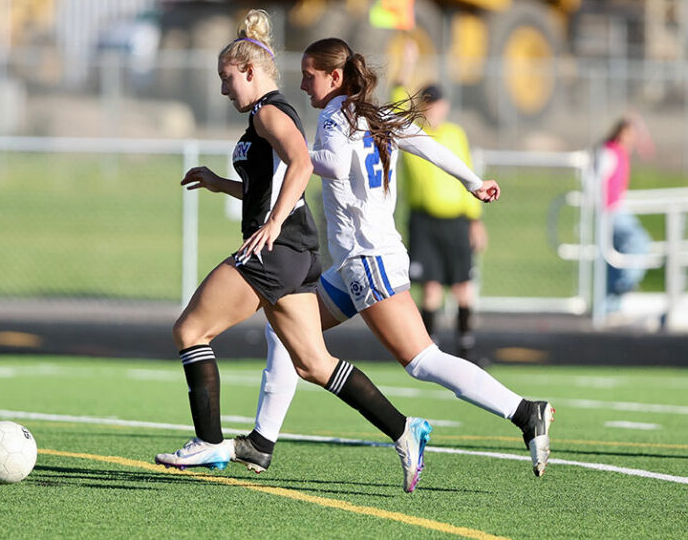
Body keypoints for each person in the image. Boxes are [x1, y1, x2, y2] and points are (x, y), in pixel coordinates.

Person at [230, 37, 555, 479]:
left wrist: (293, 154)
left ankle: (524, 412)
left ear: (335, 77)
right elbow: (429, 145)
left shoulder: (333, 116)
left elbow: (337, 164)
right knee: (285, 330)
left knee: (422, 361)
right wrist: (472, 181)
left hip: (368, 260)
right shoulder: (376, 115)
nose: (303, 85)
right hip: (355, 265)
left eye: (310, 75)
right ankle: (262, 442)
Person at [154, 10, 432, 494]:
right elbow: (273, 181)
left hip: (276, 247)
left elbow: (302, 162)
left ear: (249, 71)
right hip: (298, 250)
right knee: (313, 363)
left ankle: (208, 442)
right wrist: (221, 184)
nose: (224, 91)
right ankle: (405, 429)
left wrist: (273, 223)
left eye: (226, 79)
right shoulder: (267, 112)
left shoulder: (267, 110)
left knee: (190, 329)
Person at [400, 84, 485, 360]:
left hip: (456, 221)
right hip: (425, 221)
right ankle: (427, 350)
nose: (433, 109)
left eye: (437, 103)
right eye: (427, 103)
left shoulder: (454, 134)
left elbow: (468, 174)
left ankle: (466, 347)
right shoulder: (411, 131)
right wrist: (405, 69)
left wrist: (475, 219)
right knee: (431, 287)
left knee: (462, 285)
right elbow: (397, 99)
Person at [598, 115, 653, 311]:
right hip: (610, 210)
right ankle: (624, 284)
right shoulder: (609, 153)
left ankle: (610, 306)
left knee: (614, 258)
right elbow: (595, 181)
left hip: (617, 207)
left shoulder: (621, 153)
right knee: (640, 242)